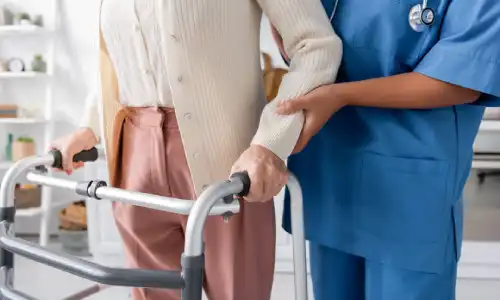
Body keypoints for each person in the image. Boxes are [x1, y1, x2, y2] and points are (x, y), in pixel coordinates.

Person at [51, 0, 342, 299]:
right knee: (150, 292)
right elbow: (112, 57)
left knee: (237, 292)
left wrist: (271, 142)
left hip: (229, 160)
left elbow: (315, 44)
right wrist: (89, 128)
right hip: (134, 154)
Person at [271, 0, 500, 299]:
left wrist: (340, 96)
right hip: (332, 171)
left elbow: (464, 76)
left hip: (411, 186)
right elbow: (309, 40)